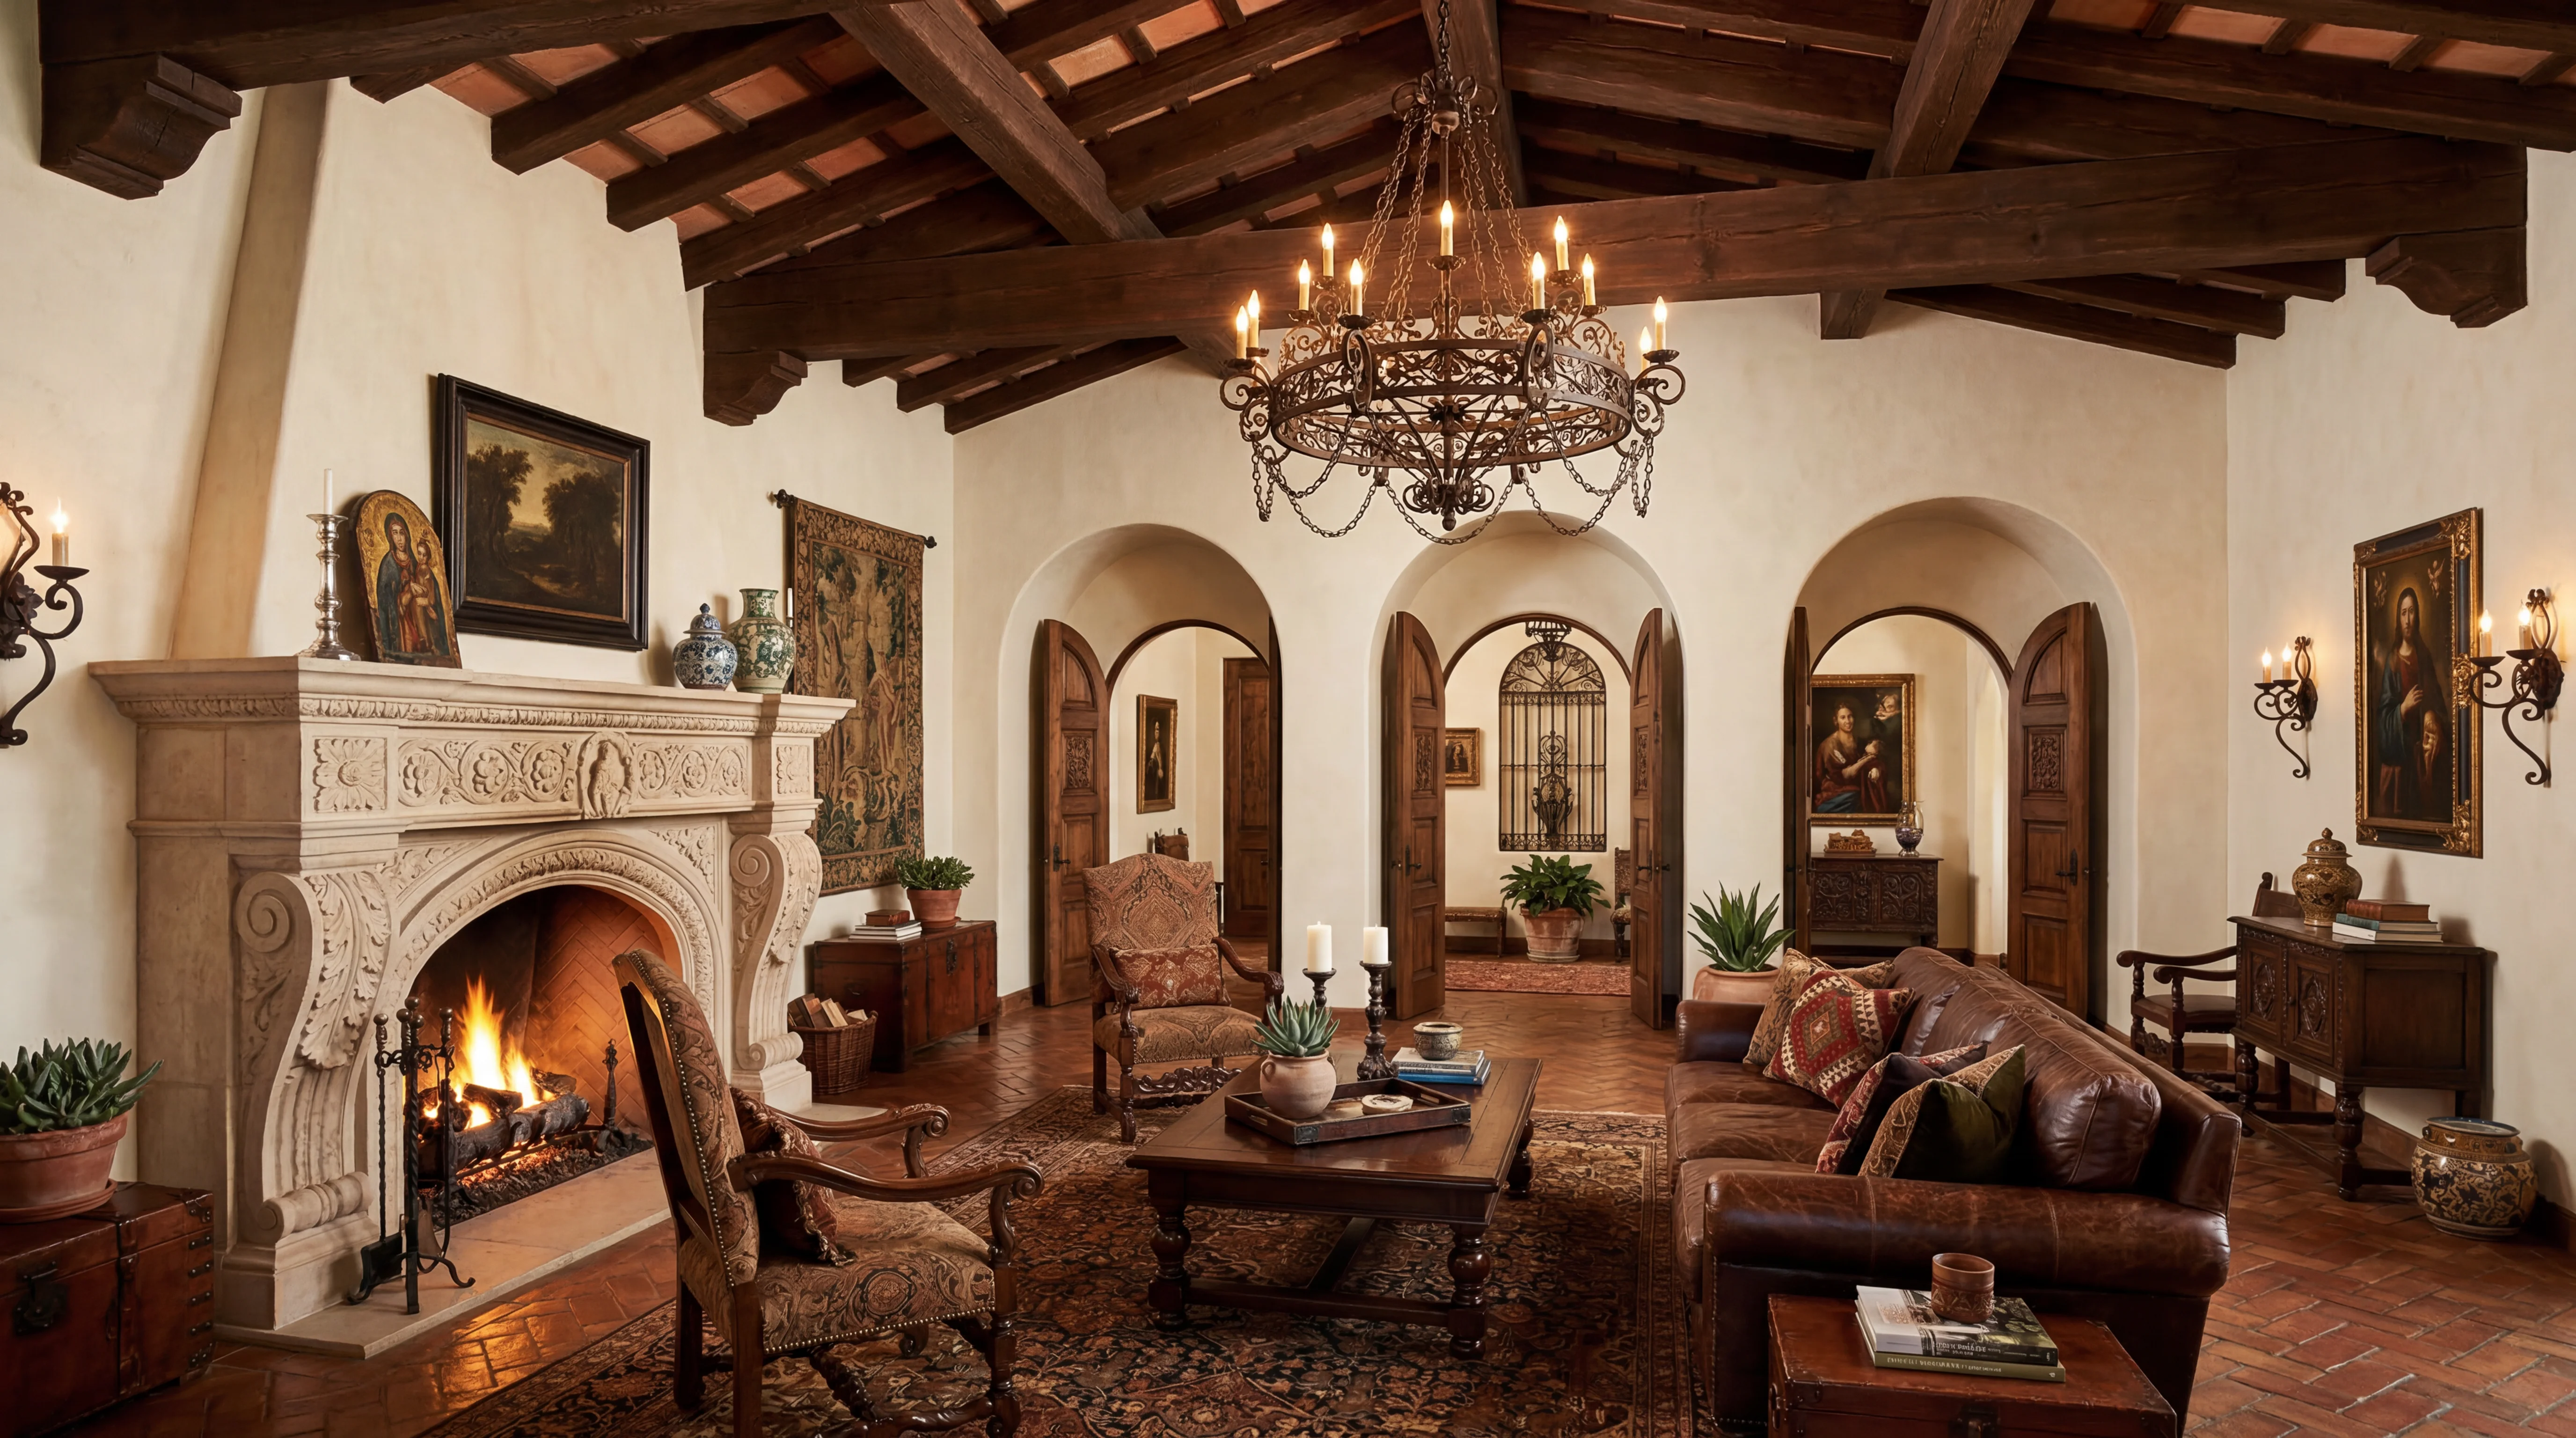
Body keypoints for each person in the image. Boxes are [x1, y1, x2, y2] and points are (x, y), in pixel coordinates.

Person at [2372, 586, 2440, 818]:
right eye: (2404, 613)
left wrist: (2431, 715)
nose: (2408, 620)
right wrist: (2402, 709)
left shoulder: (2425, 657)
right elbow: (2383, 719)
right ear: (2398, 618)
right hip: (2400, 763)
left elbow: (2438, 703)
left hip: (2421, 758)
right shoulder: (2393, 661)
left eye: (2412, 612)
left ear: (2418, 615)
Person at [375, 512, 449, 660]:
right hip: (401, 629)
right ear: (390, 536)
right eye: (395, 533)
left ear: (407, 535)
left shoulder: (417, 563)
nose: (399, 539)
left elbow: (435, 595)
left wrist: (428, 602)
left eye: (402, 533)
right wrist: (405, 597)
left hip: (420, 623)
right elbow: (384, 603)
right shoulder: (388, 564)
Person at [1814, 703, 1887, 814]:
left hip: (1855, 788)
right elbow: (1844, 776)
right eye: (1843, 718)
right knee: (1858, 797)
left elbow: (1870, 761)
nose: (1848, 721)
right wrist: (1869, 758)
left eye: (1850, 716)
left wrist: (1875, 768)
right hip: (1836, 792)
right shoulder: (1831, 745)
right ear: (1836, 721)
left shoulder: (1857, 741)